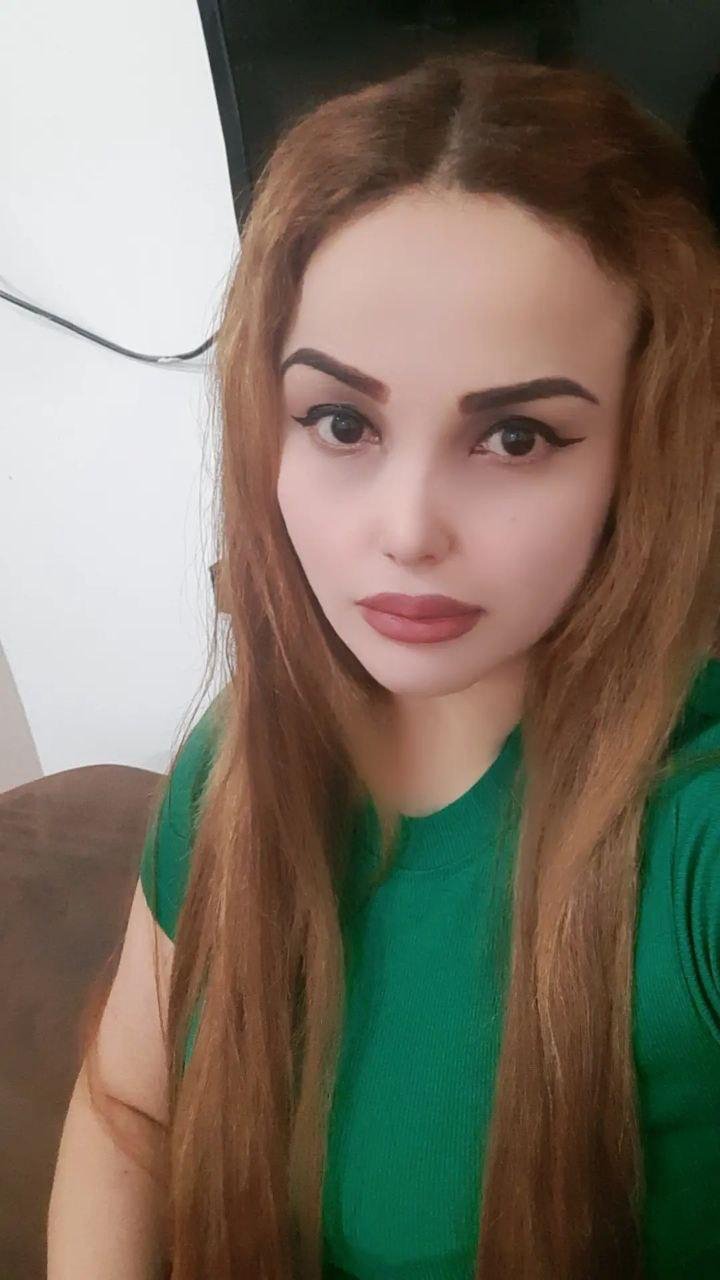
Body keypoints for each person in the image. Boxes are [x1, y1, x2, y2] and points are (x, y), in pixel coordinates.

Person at [48, 48, 720, 1280]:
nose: (407, 528)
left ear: (645, 445)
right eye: (343, 421)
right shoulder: (241, 754)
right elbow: (127, 1106)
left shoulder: (697, 835)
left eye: (516, 436)